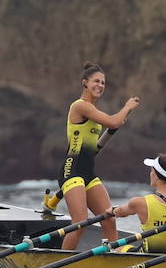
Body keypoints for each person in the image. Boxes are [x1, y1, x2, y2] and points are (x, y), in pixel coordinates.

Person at [58, 62, 140, 250]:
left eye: (103, 82)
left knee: (108, 218)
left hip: (88, 173)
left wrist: (116, 123)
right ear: (84, 83)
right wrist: (127, 107)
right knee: (80, 223)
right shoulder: (80, 106)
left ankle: (114, 256)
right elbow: (113, 121)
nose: (100, 85)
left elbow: (105, 134)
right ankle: (60, 262)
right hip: (72, 171)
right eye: (96, 81)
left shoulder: (93, 111)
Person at [112, 155, 166, 253]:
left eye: (152, 170)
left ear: (156, 176)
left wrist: (111, 211)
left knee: (115, 248)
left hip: (147, 255)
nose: (150, 173)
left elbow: (119, 212)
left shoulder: (140, 202)